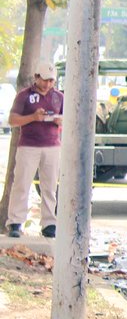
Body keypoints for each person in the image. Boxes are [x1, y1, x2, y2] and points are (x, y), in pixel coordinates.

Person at [6, 63, 64, 238]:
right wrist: (33, 117)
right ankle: (15, 222)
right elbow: (12, 120)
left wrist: (59, 120)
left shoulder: (59, 97)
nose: (47, 84)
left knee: (50, 186)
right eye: (44, 80)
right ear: (37, 77)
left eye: (51, 81)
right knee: (22, 184)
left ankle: (49, 223)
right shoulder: (24, 96)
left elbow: (67, 118)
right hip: (28, 145)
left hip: (52, 145)